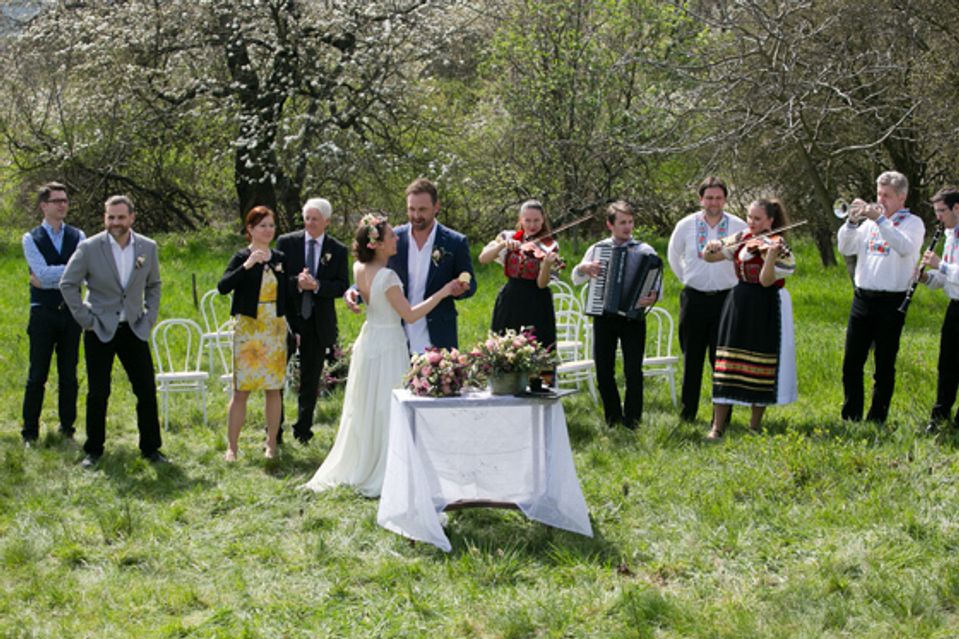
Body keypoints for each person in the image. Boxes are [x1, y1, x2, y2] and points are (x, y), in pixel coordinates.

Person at [304, 214, 461, 497]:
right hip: (388, 342)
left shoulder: (359, 268)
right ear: (375, 244)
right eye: (390, 236)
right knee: (388, 403)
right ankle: (387, 464)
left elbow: (364, 294)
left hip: (369, 339)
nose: (396, 238)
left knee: (368, 402)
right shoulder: (388, 277)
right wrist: (443, 292)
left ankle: (367, 457)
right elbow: (410, 315)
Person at [60, 195, 166, 467]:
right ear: (104, 218)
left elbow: (154, 285)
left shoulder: (147, 247)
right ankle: (94, 450)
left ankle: (151, 449)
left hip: (134, 328)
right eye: (111, 217)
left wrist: (149, 317)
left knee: (146, 390)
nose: (115, 222)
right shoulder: (89, 247)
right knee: (98, 393)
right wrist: (86, 319)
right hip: (99, 328)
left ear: (132, 217)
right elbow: (68, 284)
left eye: (121, 217)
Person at [702, 199, 797, 439]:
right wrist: (710, 247)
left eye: (757, 219)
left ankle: (754, 427)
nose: (751, 223)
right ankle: (717, 427)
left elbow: (766, 281)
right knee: (727, 362)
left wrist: (770, 256)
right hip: (739, 302)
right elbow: (710, 258)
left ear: (770, 221)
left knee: (760, 362)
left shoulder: (779, 247)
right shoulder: (741, 237)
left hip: (766, 304)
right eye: (749, 217)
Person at [346, 178, 475, 352]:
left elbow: (470, 282)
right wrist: (354, 291)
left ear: (436, 207)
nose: (416, 215)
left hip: (438, 335)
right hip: (397, 336)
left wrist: (462, 289)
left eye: (422, 209)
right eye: (411, 209)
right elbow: (374, 272)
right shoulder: (392, 239)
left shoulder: (455, 242)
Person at [838, 170, 924, 423]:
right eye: (878, 194)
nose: (880, 200)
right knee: (852, 361)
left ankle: (877, 418)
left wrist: (880, 220)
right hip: (863, 297)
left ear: (901, 197)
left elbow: (904, 247)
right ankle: (851, 415)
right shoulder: (868, 224)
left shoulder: (913, 223)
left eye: (886, 195)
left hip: (892, 301)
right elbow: (845, 247)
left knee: (884, 364)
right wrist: (851, 222)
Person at [571, 200, 659, 429]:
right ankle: (613, 418)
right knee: (604, 370)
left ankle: (633, 420)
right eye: (622, 223)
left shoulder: (645, 250)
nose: (628, 227)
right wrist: (583, 268)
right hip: (604, 315)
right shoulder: (597, 249)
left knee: (633, 370)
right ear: (610, 224)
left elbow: (656, 283)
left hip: (633, 318)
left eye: (630, 222)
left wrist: (653, 296)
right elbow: (576, 279)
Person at [667, 176, 747, 421]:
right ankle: (688, 414)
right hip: (694, 299)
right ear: (701, 199)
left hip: (727, 299)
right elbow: (673, 255)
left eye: (719, 198)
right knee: (692, 357)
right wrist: (688, 278)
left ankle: (721, 418)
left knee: (721, 360)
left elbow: (746, 257)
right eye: (709, 197)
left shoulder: (738, 225)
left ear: (725, 199)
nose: (714, 202)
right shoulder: (686, 225)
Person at [217, 206, 289, 461]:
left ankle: (271, 443)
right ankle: (232, 447)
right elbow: (223, 286)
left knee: (273, 389)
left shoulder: (279, 257)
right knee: (241, 391)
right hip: (249, 329)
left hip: (274, 328)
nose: (268, 230)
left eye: (271, 225)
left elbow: (287, 293)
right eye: (262, 226)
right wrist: (247, 266)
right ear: (250, 229)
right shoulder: (241, 256)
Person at [276, 198, 349, 445]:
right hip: (289, 319)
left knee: (310, 379)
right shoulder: (287, 243)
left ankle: (303, 430)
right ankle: (274, 429)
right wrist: (297, 282)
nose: (310, 223)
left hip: (318, 322)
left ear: (327, 221)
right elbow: (277, 281)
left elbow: (341, 286)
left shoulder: (337, 250)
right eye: (307, 218)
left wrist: (316, 285)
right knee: (277, 377)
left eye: (315, 219)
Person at [21, 182, 86, 446]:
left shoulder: (78, 236)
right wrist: (69, 273)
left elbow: (82, 273)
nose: (62, 205)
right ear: (44, 206)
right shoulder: (31, 238)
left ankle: (67, 429)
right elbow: (42, 273)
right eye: (57, 200)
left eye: (65, 200)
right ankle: (30, 433)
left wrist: (50, 277)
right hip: (42, 315)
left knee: (69, 375)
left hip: (71, 313)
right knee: (37, 375)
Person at [478, 199, 560, 351]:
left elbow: (541, 284)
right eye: (527, 220)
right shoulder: (508, 236)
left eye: (536, 220)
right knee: (505, 347)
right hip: (511, 298)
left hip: (538, 301)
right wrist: (502, 245)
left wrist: (547, 265)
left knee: (538, 348)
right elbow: (483, 259)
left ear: (543, 220)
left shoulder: (549, 245)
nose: (532, 225)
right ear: (521, 220)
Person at [918, 187, 959, 434]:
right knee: (947, 364)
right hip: (955, 306)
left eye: (942, 211)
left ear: (957, 208)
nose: (938, 217)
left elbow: (951, 270)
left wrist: (940, 264)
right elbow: (945, 280)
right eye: (936, 212)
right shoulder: (951, 234)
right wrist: (925, 277)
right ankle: (940, 416)